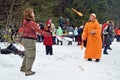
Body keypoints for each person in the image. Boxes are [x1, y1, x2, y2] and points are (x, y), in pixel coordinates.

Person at [20, 8, 50, 76]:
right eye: (32, 12)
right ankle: (28, 71)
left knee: (27, 54)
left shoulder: (24, 21)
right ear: (29, 14)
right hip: (30, 40)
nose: (33, 13)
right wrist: (48, 34)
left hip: (24, 39)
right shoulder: (32, 23)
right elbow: (39, 31)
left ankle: (23, 68)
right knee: (31, 56)